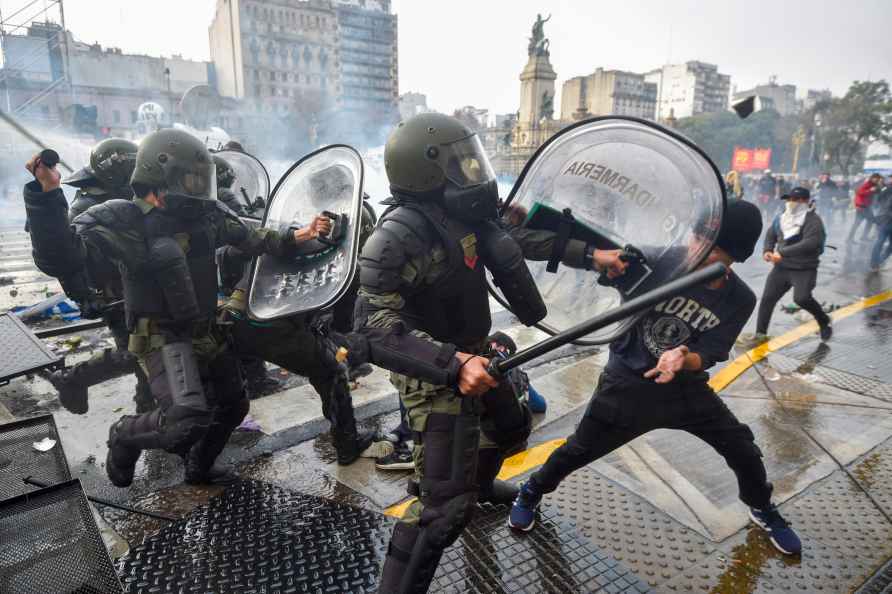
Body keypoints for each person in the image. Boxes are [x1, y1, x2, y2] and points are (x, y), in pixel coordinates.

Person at [357, 113, 627, 593]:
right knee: (441, 512)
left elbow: (521, 241)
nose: (475, 171)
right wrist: (453, 364)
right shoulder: (395, 237)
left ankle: (479, 486)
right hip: (433, 369)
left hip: (475, 352)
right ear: (428, 171)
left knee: (511, 426)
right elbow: (371, 327)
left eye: (472, 158)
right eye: (462, 163)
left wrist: (594, 256)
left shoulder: (465, 215)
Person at [23, 129, 331, 487]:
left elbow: (250, 237)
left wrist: (299, 236)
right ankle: (123, 434)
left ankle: (199, 467)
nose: (198, 188)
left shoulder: (207, 215)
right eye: (191, 179)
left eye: (203, 179)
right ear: (160, 177)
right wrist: (47, 198)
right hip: (160, 335)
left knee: (234, 405)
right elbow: (63, 256)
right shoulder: (122, 220)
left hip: (204, 328)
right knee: (185, 420)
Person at [509, 200, 803, 557]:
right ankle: (532, 490)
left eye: (714, 250)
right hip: (625, 386)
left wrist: (684, 357)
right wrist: (546, 226)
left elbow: (710, 352)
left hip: (686, 394)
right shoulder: (657, 260)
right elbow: (590, 253)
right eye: (698, 239)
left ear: (735, 258)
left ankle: (761, 506)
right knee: (577, 450)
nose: (699, 251)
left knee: (742, 447)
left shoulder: (740, 298)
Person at [216, 201, 386, 465]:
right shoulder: (346, 265)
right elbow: (339, 323)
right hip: (274, 328)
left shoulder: (288, 237)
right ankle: (347, 444)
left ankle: (197, 464)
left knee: (224, 402)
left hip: (233, 320)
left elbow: (227, 254)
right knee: (332, 369)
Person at [35, 138, 154, 415]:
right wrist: (83, 295)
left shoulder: (129, 192)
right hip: (111, 292)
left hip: (139, 282)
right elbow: (69, 259)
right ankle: (75, 379)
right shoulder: (84, 206)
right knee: (136, 353)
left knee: (147, 350)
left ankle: (148, 409)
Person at [755, 187, 831, 342]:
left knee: (802, 298)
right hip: (781, 268)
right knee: (767, 299)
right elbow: (771, 234)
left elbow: (811, 243)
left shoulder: (813, 220)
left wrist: (782, 252)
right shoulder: (782, 217)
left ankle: (823, 321)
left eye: (794, 200)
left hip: (804, 268)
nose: (790, 203)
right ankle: (760, 334)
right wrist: (767, 250)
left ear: (805, 201)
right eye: (789, 200)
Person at [848, 174, 882, 242]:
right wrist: (870, 190)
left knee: (858, 223)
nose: (876, 180)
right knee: (870, 221)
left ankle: (851, 238)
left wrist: (878, 186)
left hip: (865, 206)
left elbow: (878, 192)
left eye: (878, 179)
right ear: (872, 178)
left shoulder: (873, 184)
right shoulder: (867, 184)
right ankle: (862, 237)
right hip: (862, 206)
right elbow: (860, 192)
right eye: (875, 178)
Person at [870, 175, 892, 271]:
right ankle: (876, 262)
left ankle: (876, 262)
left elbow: (877, 203)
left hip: (883, 219)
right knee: (880, 242)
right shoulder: (886, 190)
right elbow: (883, 205)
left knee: (880, 242)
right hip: (886, 220)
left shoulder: (884, 189)